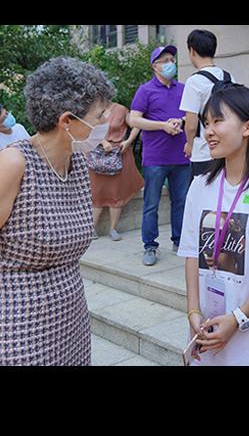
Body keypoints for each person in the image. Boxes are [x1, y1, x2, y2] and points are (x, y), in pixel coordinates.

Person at [0, 57, 115, 365]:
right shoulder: (14, 163)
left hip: (71, 320)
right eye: (100, 114)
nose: (107, 122)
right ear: (67, 121)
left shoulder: (78, 163)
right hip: (18, 324)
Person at [177, 83, 249, 366]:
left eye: (218, 121)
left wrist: (237, 318)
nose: (208, 131)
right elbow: (191, 253)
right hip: (207, 329)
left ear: (248, 127)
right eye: (206, 122)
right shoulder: (200, 186)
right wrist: (193, 312)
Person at [127, 45, 191, 266]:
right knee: (151, 204)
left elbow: (192, 115)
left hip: (182, 156)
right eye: (165, 60)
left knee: (181, 202)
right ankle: (150, 246)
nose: (170, 63)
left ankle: (180, 240)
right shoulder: (145, 91)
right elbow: (133, 119)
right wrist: (162, 125)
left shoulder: (183, 89)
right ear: (155, 66)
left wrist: (180, 121)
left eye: (172, 59)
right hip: (155, 157)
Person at [180, 29, 236, 178]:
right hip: (227, 150)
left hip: (203, 152)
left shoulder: (194, 81)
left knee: (204, 197)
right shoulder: (229, 77)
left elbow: (191, 125)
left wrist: (189, 144)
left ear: (192, 51)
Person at [89, 102, 144, 241]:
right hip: (97, 155)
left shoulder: (121, 109)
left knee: (116, 193)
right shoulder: (92, 109)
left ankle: (112, 228)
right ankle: (91, 229)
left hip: (117, 154)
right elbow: (86, 128)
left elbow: (137, 124)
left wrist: (129, 141)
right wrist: (102, 141)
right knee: (96, 192)